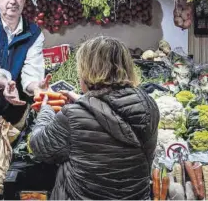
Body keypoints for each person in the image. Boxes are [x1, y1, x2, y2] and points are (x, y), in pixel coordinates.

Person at [29, 36, 160, 200]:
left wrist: (46, 109)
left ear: (87, 72)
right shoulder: (149, 105)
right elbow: (116, 118)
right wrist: (84, 101)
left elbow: (39, 147)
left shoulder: (72, 117)